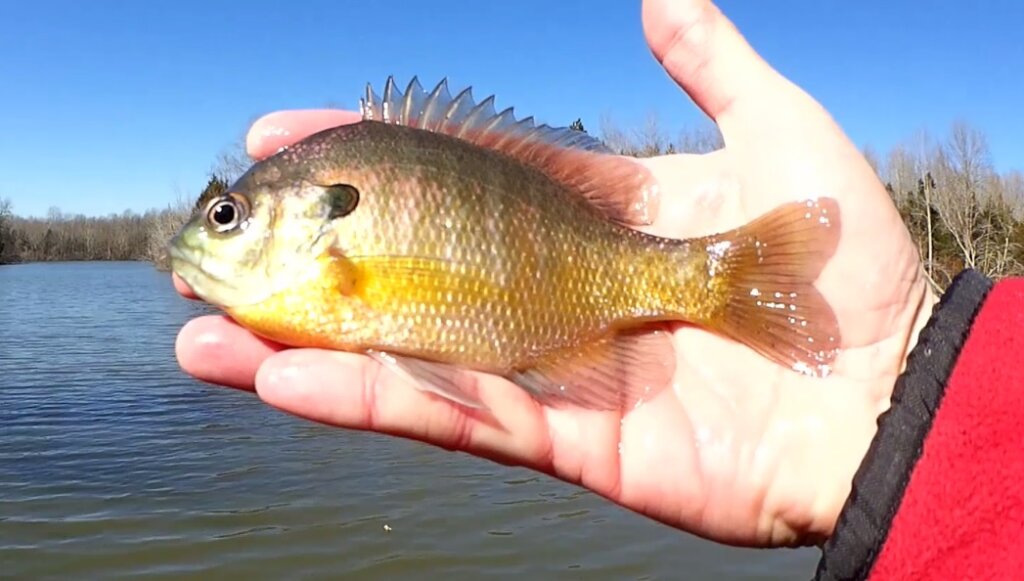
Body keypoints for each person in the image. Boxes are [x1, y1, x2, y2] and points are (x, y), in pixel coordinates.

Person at [173, 0, 1024, 578]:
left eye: (227, 217)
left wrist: (907, 349)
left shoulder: (335, 233)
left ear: (304, 218)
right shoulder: (319, 236)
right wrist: (927, 395)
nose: (211, 235)